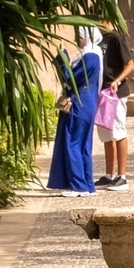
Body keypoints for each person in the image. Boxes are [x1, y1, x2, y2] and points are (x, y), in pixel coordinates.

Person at [46, 24, 102, 192]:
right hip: (88, 102)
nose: (78, 38)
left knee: (73, 142)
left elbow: (71, 78)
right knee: (84, 145)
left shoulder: (89, 57)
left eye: (80, 34)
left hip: (79, 103)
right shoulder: (95, 55)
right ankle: (87, 184)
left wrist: (63, 59)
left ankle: (79, 186)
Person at [96, 22, 134, 186]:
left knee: (118, 131)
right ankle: (109, 175)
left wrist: (117, 81)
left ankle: (122, 177)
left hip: (115, 93)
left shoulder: (116, 38)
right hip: (102, 92)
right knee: (106, 134)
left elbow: (130, 64)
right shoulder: (98, 38)